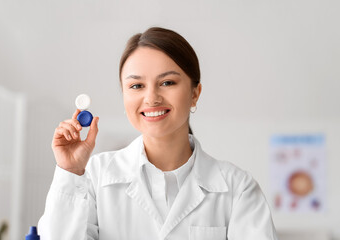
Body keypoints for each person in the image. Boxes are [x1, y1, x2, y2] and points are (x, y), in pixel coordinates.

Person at [38, 27, 278, 240]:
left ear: (195, 93)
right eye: (136, 86)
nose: (151, 98)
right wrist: (69, 172)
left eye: (167, 83)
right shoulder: (94, 177)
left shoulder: (238, 189)